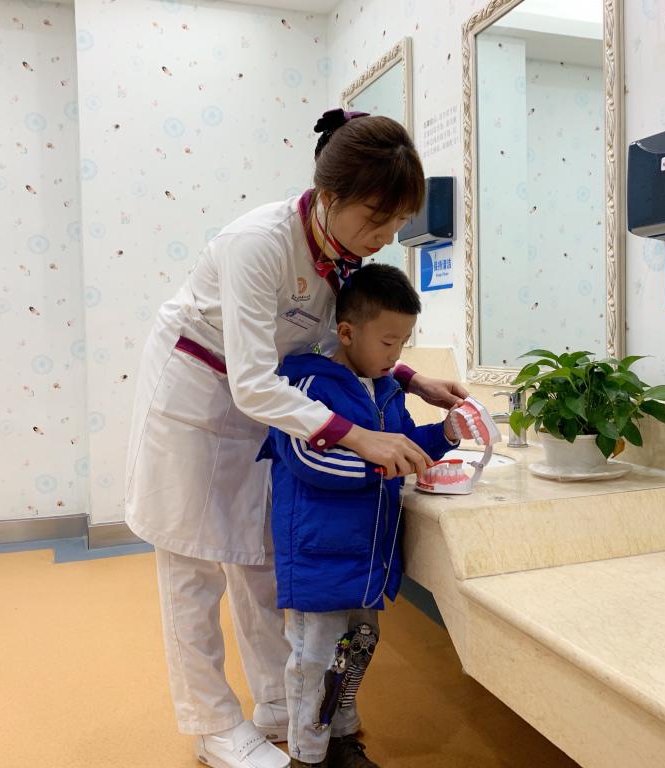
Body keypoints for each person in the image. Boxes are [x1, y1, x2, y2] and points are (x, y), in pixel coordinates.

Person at [124, 109, 469, 768]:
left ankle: (280, 703)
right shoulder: (257, 244)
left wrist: (410, 377)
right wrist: (359, 438)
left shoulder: (343, 254)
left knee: (260, 555)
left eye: (398, 223)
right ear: (328, 196)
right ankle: (212, 724)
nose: (384, 237)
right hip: (195, 394)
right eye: (376, 219)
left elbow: (332, 340)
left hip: (268, 404)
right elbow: (253, 382)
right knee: (192, 567)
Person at [259, 263, 464, 768]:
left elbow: (404, 441)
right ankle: (308, 756)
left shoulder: (385, 388)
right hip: (319, 555)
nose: (396, 356)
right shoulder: (308, 386)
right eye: (388, 342)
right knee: (314, 662)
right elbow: (308, 460)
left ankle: (342, 739)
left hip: (366, 556)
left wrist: (445, 434)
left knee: (353, 653)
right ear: (347, 333)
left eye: (404, 343)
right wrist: (382, 464)